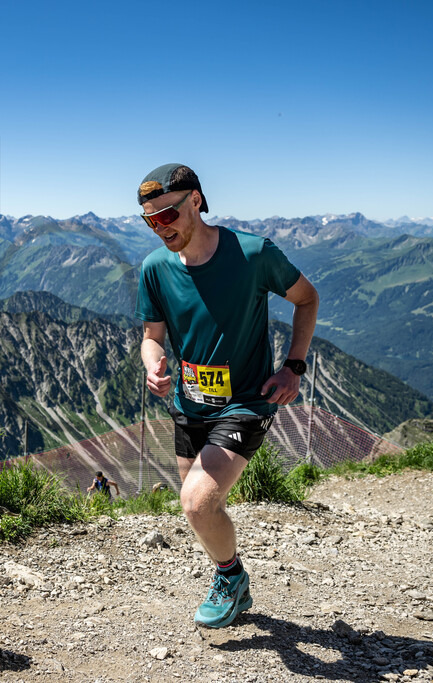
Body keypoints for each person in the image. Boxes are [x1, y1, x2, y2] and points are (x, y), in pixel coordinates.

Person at [136, 163, 319, 629]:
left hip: (246, 401)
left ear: (196, 200)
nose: (161, 228)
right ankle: (230, 576)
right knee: (198, 506)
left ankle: (230, 577)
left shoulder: (254, 254)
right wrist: (152, 361)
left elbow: (307, 298)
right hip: (188, 403)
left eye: (168, 215)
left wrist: (293, 366)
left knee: (198, 502)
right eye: (149, 220)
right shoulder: (154, 268)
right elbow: (151, 334)